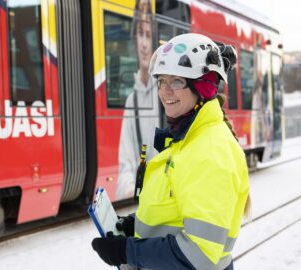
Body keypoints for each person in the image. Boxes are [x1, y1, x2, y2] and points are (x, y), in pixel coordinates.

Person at [92, 33, 251, 270]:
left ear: (203, 88)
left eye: (177, 81)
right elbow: (174, 208)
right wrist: (134, 225)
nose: (166, 92)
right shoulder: (188, 139)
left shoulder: (209, 152)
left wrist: (127, 251)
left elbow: (199, 255)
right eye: (162, 81)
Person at [116, 0, 159, 200]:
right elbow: (125, 165)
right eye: (140, 34)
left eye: (148, 35)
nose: (143, 43)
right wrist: (130, 185)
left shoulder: (165, 95)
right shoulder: (131, 102)